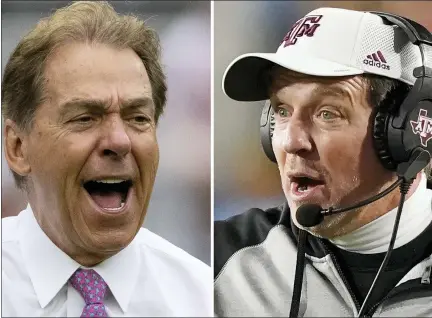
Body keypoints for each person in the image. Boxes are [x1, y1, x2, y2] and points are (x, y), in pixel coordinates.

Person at [215, 7, 432, 317]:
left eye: (327, 113)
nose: (291, 141)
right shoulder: (218, 263)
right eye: (281, 111)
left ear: (406, 134)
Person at [1, 2, 211, 317]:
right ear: (18, 147)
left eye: (138, 118)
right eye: (85, 117)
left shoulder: (204, 299)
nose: (119, 140)